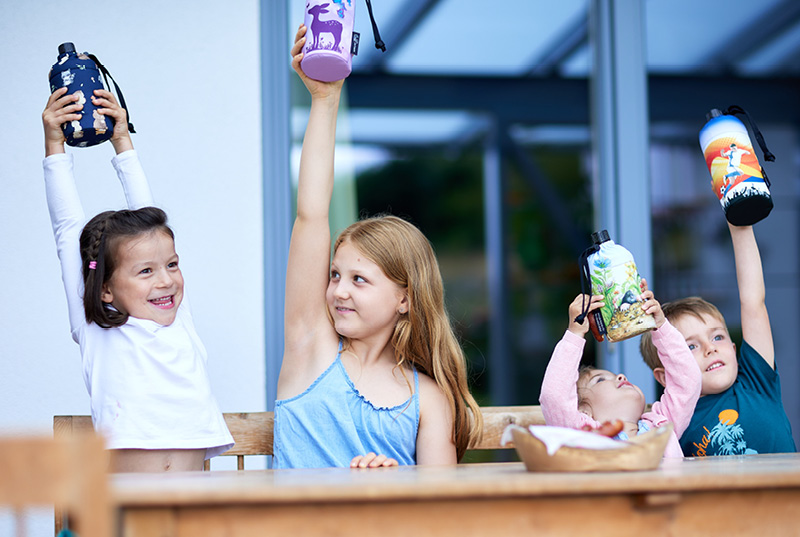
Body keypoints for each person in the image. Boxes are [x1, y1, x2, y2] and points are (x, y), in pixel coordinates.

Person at [273, 25, 482, 469]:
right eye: (335, 275)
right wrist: (325, 100)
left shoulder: (428, 398)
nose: (338, 291)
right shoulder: (311, 346)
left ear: (405, 298)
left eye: (359, 280)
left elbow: (439, 506)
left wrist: (397, 485)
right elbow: (312, 212)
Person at [42, 86, 233, 472]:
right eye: (145, 271)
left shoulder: (181, 322)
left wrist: (123, 138)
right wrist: (53, 144)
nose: (166, 280)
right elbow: (66, 230)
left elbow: (147, 212)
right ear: (106, 288)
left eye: (173, 265)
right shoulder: (97, 328)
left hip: (192, 521)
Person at [640, 223, 796, 456]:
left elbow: (753, 302)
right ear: (665, 376)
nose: (710, 348)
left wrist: (739, 224)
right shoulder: (670, 424)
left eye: (717, 337)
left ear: (733, 350)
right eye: (690, 346)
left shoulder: (756, 381)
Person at [540, 283, 701, 457]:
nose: (621, 377)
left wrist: (661, 327)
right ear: (584, 412)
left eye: (616, 375)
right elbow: (554, 397)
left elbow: (688, 380)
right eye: (600, 379)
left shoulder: (663, 424)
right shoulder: (584, 435)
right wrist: (575, 334)